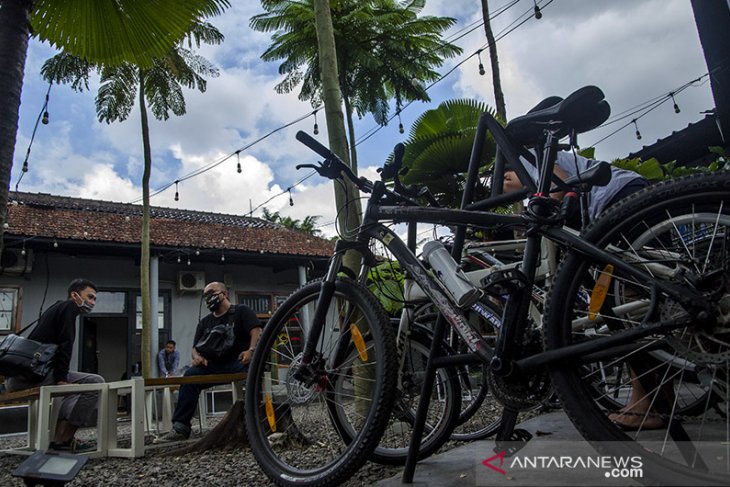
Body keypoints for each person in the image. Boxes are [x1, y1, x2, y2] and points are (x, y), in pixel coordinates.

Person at [503, 153, 662, 430]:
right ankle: (660, 397)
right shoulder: (536, 168)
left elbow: (560, 186)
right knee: (645, 298)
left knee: (630, 303)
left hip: (618, 200)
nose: (504, 179)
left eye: (505, 175)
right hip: (626, 197)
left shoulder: (528, 157)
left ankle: (647, 403)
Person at [5, 278, 104, 452]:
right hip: (30, 377)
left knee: (74, 391)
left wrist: (63, 379)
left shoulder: (55, 308)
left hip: (19, 377)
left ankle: (59, 438)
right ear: (74, 295)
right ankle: (64, 439)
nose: (92, 302)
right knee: (95, 382)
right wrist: (61, 379)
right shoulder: (69, 307)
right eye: (89, 297)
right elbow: (65, 345)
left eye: (94, 299)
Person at [155, 282, 261, 442]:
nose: (208, 297)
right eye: (205, 295)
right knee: (190, 376)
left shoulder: (241, 311)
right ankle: (180, 428)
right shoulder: (205, 322)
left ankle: (256, 420)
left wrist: (251, 351)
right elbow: (195, 348)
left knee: (253, 370)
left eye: (211, 292)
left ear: (224, 294)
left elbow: (256, 330)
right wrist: (197, 357)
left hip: (238, 361)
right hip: (211, 365)